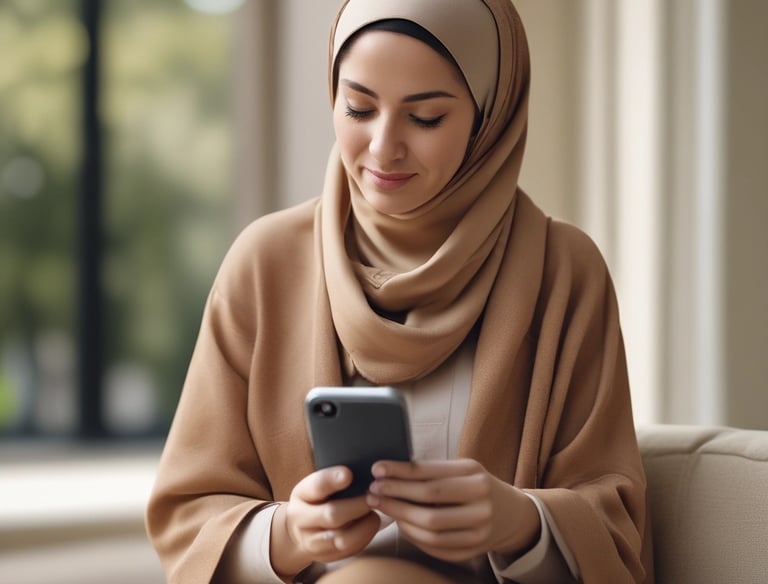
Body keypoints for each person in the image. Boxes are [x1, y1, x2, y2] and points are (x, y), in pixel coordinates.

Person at [146, 0, 654, 582]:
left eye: (427, 118)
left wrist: (522, 522)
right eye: (358, 107)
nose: (383, 147)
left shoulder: (563, 272)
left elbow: (618, 532)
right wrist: (290, 533)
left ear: (490, 116)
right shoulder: (264, 264)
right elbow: (188, 518)